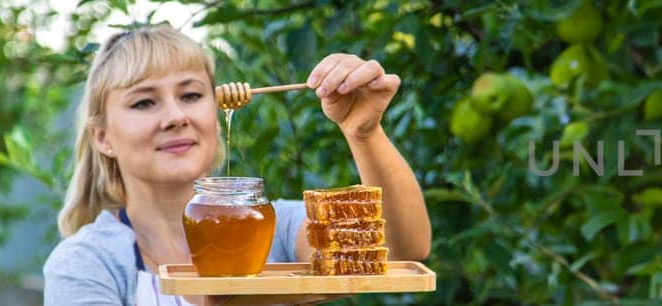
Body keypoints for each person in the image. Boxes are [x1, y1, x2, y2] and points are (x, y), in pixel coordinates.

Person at [42, 25, 430, 305]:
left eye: (192, 94)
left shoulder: (269, 225)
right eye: (144, 102)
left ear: (216, 112)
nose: (176, 116)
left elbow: (398, 250)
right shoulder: (86, 264)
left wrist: (363, 132)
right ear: (102, 137)